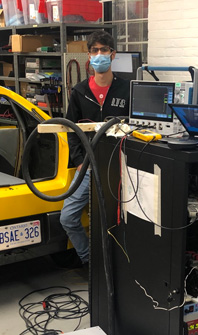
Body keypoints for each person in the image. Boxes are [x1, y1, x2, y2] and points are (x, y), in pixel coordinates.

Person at [61, 31, 129, 267]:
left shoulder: (126, 90)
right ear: (88, 56)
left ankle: (118, 265)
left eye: (104, 50)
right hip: (88, 167)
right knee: (68, 217)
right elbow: (71, 131)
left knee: (115, 220)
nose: (99, 55)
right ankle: (90, 262)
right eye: (94, 50)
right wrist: (80, 161)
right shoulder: (79, 92)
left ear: (113, 54)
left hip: (119, 168)